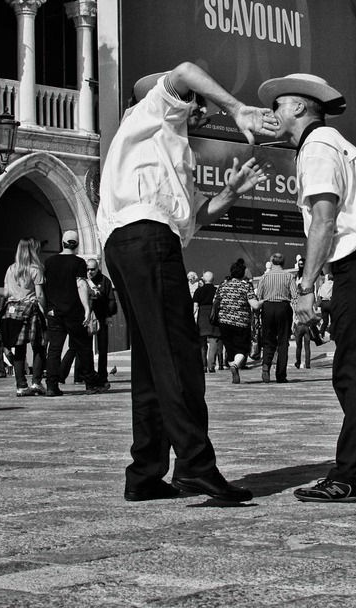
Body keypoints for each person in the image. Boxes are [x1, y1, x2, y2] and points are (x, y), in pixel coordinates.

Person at [96, 61, 276, 503]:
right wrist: (237, 109)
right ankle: (195, 466)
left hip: (133, 244)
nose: (202, 112)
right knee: (180, 358)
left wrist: (230, 195)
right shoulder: (152, 109)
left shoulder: (164, 146)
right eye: (199, 104)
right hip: (146, 237)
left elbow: (191, 220)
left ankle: (145, 472)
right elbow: (186, 69)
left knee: (154, 363)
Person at [258, 72, 356, 503]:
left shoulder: (318, 146)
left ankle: (351, 476)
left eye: (278, 106)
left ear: (300, 107)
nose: (273, 114)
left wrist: (305, 286)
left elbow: (325, 219)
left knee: (354, 371)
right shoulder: (339, 143)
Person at [44, 230, 105, 397]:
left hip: (54, 311)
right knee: (83, 347)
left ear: (62, 243)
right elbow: (81, 284)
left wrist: (46, 308)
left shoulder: (49, 262)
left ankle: (51, 385)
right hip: (74, 311)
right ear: (76, 244)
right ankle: (90, 384)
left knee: (54, 349)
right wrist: (87, 308)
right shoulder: (78, 263)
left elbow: (43, 287)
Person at [0, 238, 47, 396]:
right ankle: (36, 382)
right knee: (39, 346)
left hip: (13, 310)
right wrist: (45, 311)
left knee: (19, 348)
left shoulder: (11, 269)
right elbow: (39, 295)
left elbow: (6, 294)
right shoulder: (36, 269)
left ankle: (21, 385)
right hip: (31, 309)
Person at [61, 259, 118, 388]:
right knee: (82, 348)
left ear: (98, 269)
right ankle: (79, 375)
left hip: (101, 317)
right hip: (84, 318)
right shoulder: (81, 280)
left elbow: (111, 300)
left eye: (93, 269)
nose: (90, 272)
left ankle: (102, 376)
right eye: (88, 269)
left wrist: (109, 314)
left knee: (102, 349)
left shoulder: (104, 281)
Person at [215, 260, 260, 384]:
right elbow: (254, 305)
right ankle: (235, 365)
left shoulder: (222, 286)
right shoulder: (246, 286)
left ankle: (232, 365)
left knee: (230, 349)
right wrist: (263, 302)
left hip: (224, 321)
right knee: (241, 349)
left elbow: (216, 302)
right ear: (242, 274)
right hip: (241, 322)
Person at [256, 252, 297, 383]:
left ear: (271, 262)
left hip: (267, 308)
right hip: (283, 308)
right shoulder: (289, 276)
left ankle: (266, 364)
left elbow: (259, 296)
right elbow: (295, 296)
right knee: (283, 341)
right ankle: (281, 375)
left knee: (268, 339)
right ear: (283, 263)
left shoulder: (264, 277)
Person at [193, 271, 221, 373]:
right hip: (213, 315)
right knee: (213, 340)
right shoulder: (217, 290)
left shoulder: (198, 291)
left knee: (202, 342)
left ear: (203, 279)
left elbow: (195, 306)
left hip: (202, 316)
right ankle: (211, 365)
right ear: (213, 279)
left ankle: (203, 365)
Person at [317, 272, 333, 340]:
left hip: (323, 303)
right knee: (333, 320)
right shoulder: (332, 284)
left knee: (325, 321)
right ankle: (332, 335)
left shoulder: (323, 286)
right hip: (330, 302)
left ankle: (321, 332)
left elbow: (319, 295)